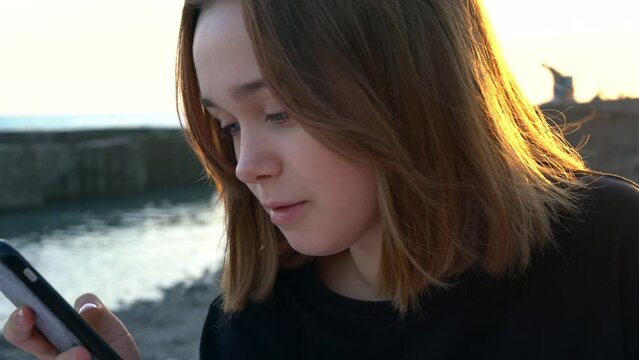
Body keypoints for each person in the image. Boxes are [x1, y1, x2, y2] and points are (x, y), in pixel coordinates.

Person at [3, 0, 639, 359]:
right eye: (227, 126)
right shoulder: (248, 330)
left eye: (278, 111)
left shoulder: (611, 250)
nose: (246, 166)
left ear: (406, 82)